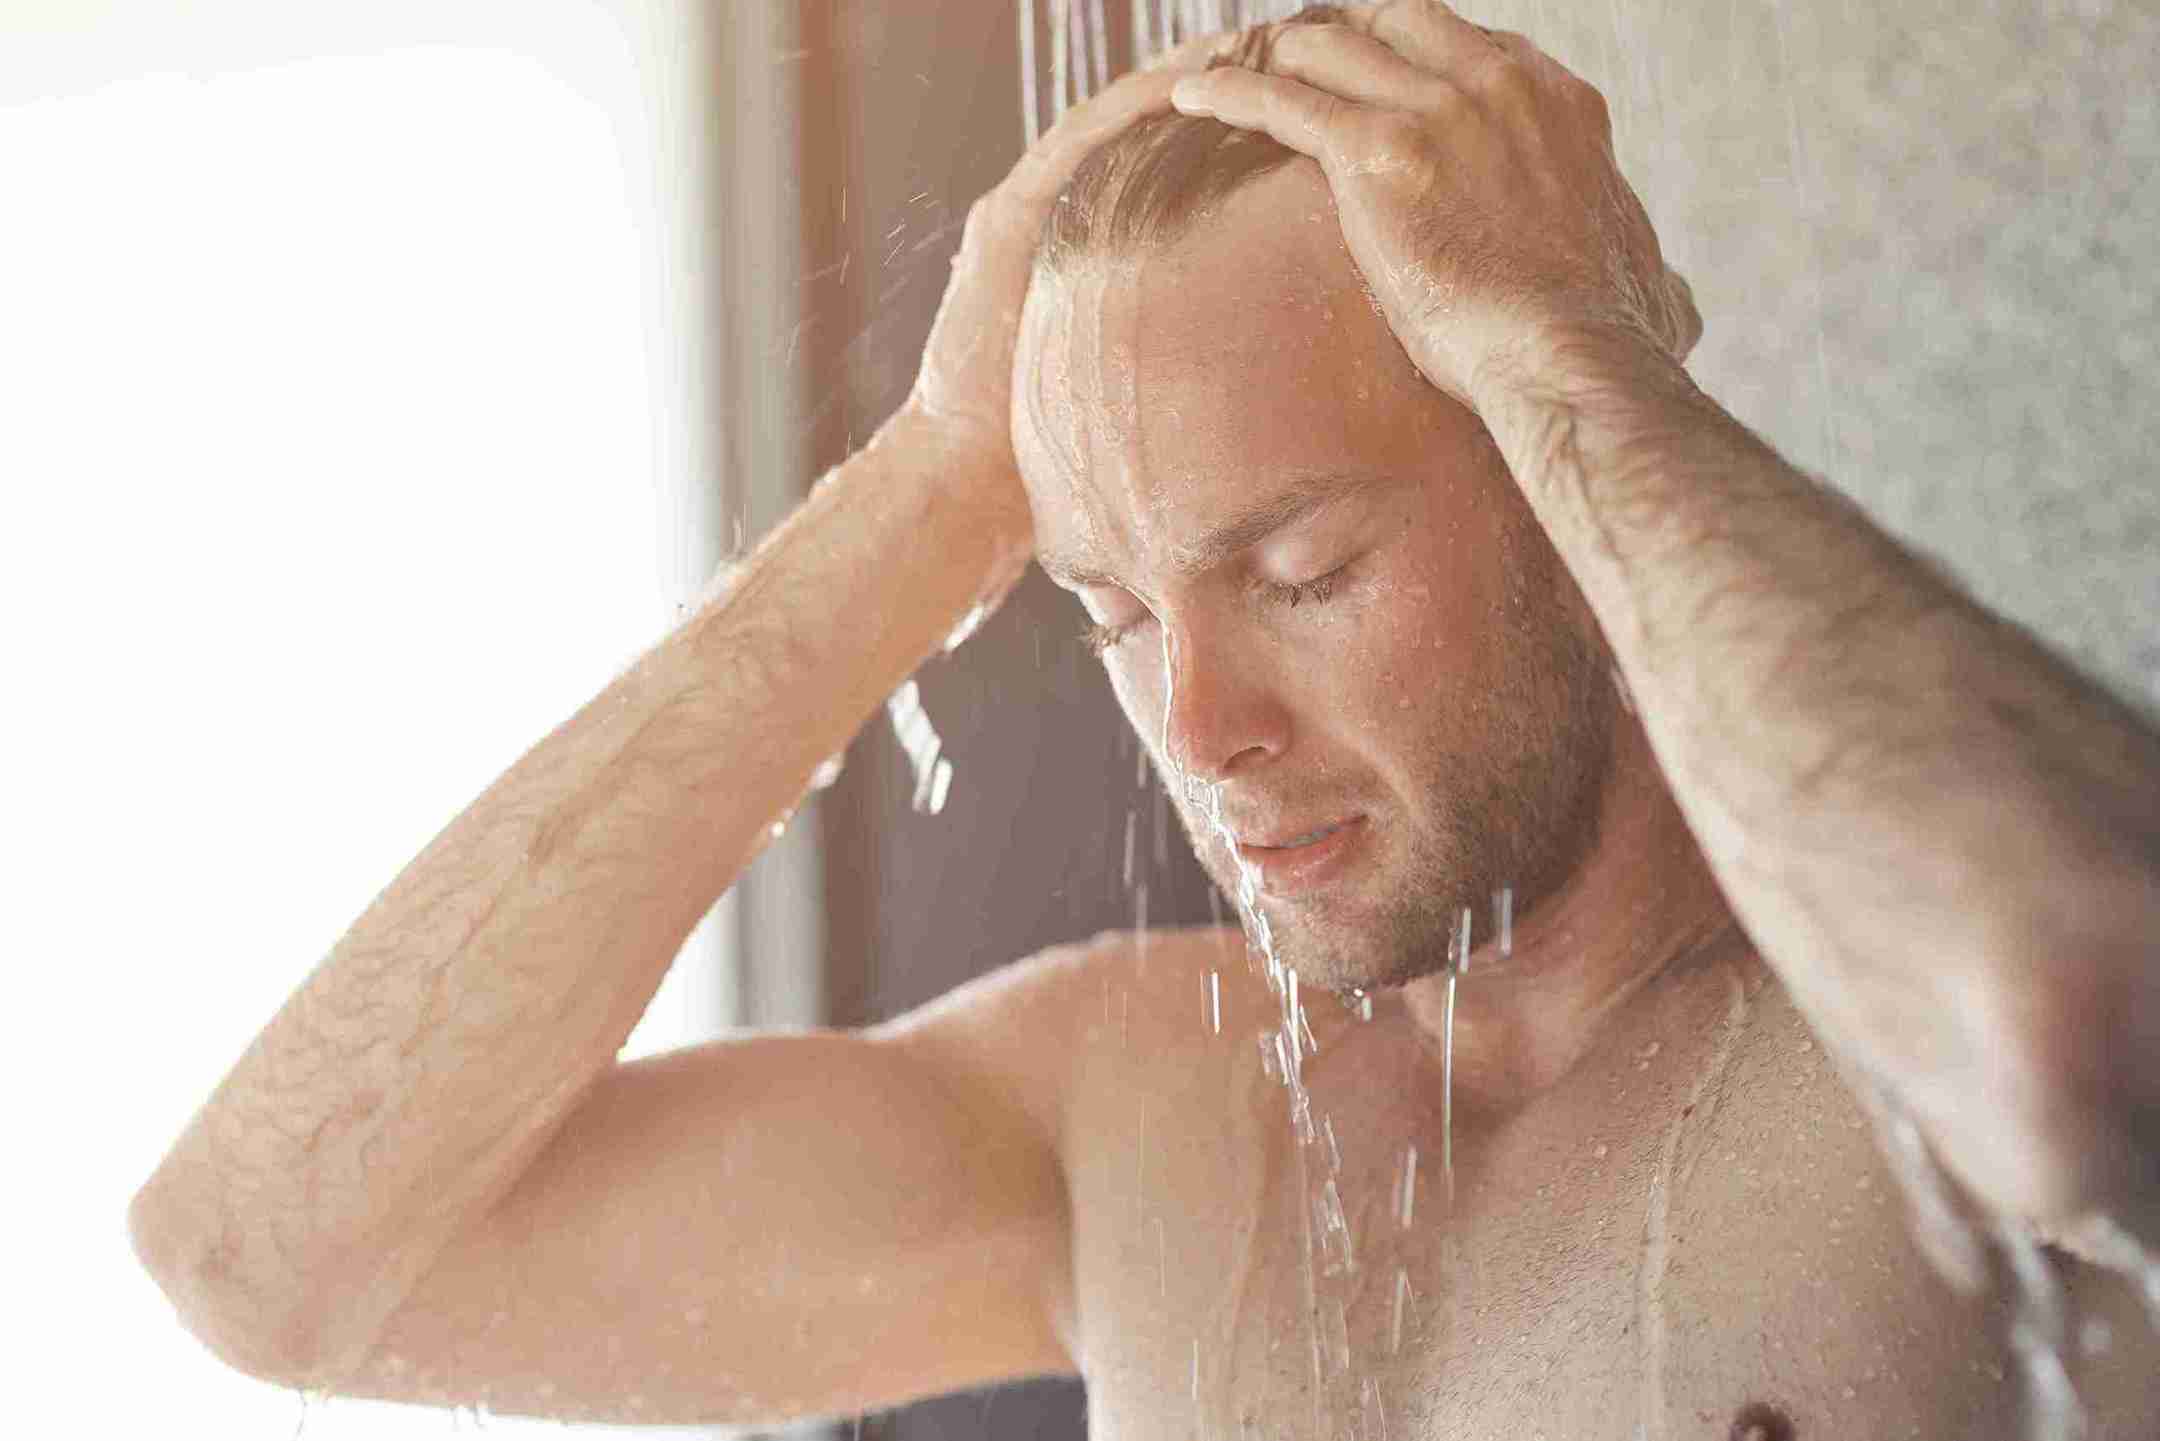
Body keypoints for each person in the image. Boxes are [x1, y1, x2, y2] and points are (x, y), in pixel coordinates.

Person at [129, 4, 2160, 1436]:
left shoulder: (1901, 1061)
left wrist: (1577, 356)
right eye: (1109, 610)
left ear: (1561, 483)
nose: (1199, 719)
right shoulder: (1129, 1115)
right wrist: (927, 491)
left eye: (1301, 575)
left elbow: (2077, 1011)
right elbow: (272, 1260)